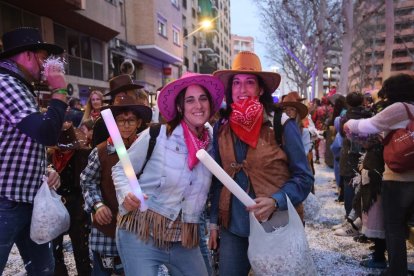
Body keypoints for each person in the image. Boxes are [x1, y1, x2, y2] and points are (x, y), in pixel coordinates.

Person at [208, 51, 314, 275]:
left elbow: (304, 178)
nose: (242, 89)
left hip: (275, 224)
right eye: (236, 83)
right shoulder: (221, 126)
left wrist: (275, 201)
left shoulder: (281, 124)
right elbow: (218, 179)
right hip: (233, 226)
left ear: (261, 89)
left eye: (249, 83)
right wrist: (214, 222)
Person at [112, 72, 224, 275]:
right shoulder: (158, 135)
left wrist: (214, 223)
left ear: (210, 104)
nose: (197, 106)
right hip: (141, 233)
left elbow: (218, 187)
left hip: (184, 239)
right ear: (180, 107)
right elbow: (120, 169)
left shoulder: (213, 146)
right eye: (190, 100)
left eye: (203, 98)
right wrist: (127, 194)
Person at [0, 27, 68, 275]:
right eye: (43, 58)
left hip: (26, 199)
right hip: (5, 201)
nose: (46, 66)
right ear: (27, 56)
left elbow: (22, 142)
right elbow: (47, 133)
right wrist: (59, 91)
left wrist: (47, 169)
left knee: (42, 269)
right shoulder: (5, 84)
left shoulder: (18, 86)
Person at [344, 74, 414, 276]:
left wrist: (349, 125)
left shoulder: (400, 108)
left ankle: (396, 270)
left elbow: (368, 125)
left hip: (399, 179)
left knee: (394, 227)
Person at [81, 93, 152, 276]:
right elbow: (88, 181)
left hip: (140, 228)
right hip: (107, 228)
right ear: (113, 123)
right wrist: (97, 205)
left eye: (131, 120)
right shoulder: (101, 152)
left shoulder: (147, 152)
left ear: (139, 123)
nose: (126, 125)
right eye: (121, 120)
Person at [91, 74, 144, 147]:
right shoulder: (102, 123)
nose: (125, 100)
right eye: (120, 98)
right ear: (113, 102)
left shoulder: (139, 118)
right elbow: (98, 152)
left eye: (128, 96)